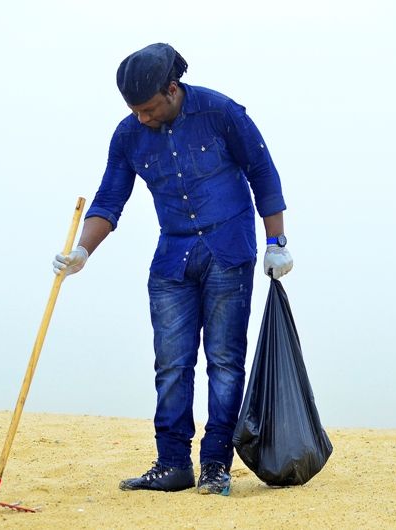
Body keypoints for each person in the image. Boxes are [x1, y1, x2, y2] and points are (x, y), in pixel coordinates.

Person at [53, 43, 293, 496]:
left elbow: (263, 172)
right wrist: (82, 252)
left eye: (148, 109)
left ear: (172, 88)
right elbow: (108, 200)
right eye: (134, 111)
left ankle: (215, 466)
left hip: (229, 249)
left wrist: (276, 242)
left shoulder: (221, 112)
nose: (141, 118)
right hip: (172, 258)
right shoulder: (128, 135)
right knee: (171, 365)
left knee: (224, 363)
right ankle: (172, 464)